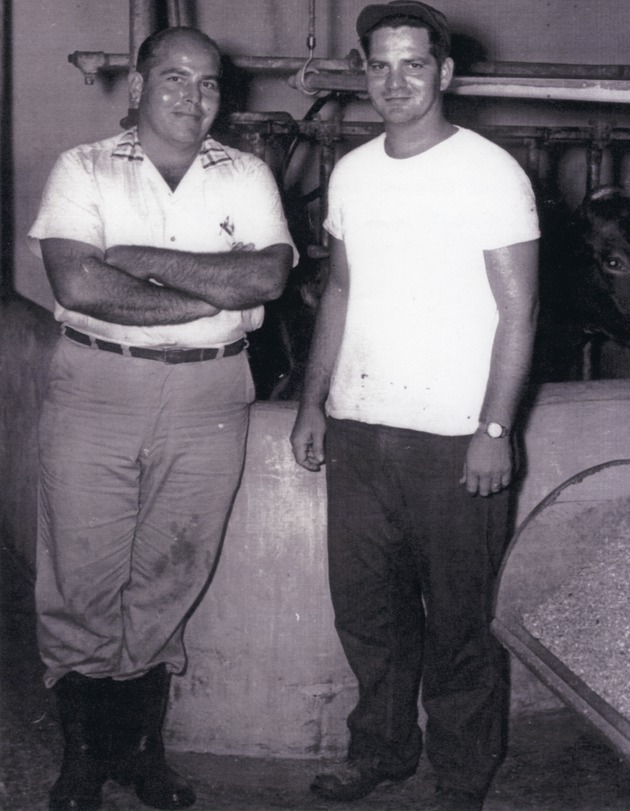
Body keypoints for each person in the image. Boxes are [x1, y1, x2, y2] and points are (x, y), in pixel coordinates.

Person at [28, 26, 295, 811]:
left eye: (208, 83)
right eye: (174, 79)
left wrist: (139, 257)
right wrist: (215, 294)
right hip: (97, 386)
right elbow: (80, 287)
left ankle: (142, 755)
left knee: (172, 574)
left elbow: (269, 277)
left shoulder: (245, 173)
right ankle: (83, 758)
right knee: (81, 575)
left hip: (212, 393)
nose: (193, 95)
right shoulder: (83, 167)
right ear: (139, 87)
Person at [291, 2, 539, 809]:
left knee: (461, 625)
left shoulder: (491, 172)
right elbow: (339, 290)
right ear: (364, 72)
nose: (394, 80)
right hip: (362, 432)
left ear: (446, 73)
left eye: (413, 63)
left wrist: (493, 429)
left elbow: (519, 312)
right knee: (369, 614)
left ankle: (463, 776)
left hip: (455, 441)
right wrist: (313, 402)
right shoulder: (355, 171)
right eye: (379, 63)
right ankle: (384, 751)